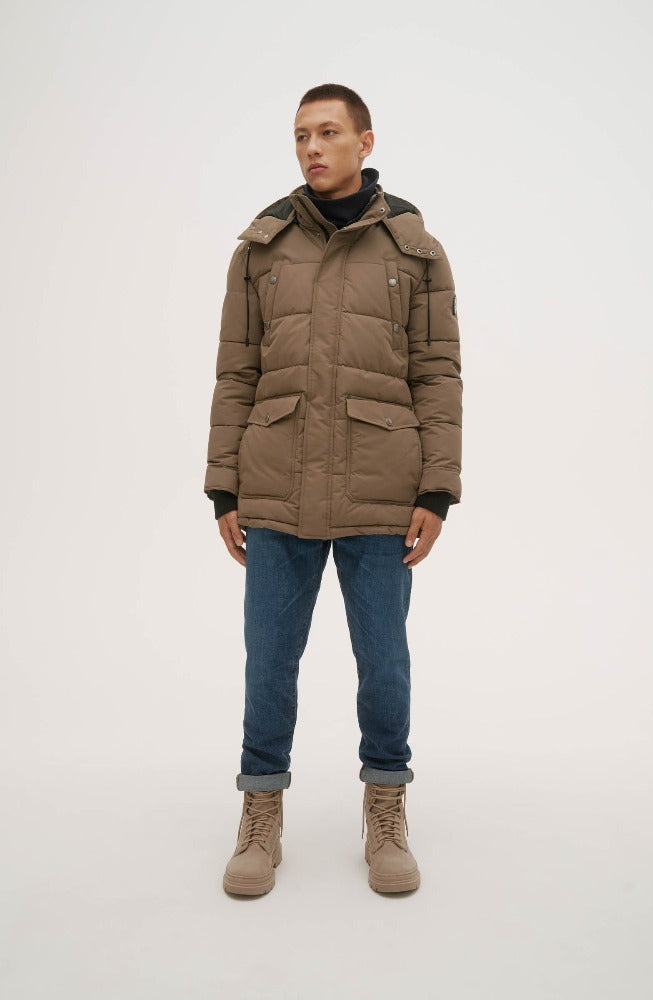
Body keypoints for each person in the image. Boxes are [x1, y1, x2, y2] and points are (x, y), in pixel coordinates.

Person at [203, 83, 463, 896]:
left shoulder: (415, 251)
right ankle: (259, 816)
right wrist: (223, 487)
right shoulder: (260, 249)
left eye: (326, 133)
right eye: (299, 136)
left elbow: (437, 373)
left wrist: (437, 488)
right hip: (275, 484)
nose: (311, 148)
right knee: (267, 664)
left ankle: (385, 811)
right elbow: (236, 372)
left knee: (383, 664)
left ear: (364, 141)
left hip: (382, 488)